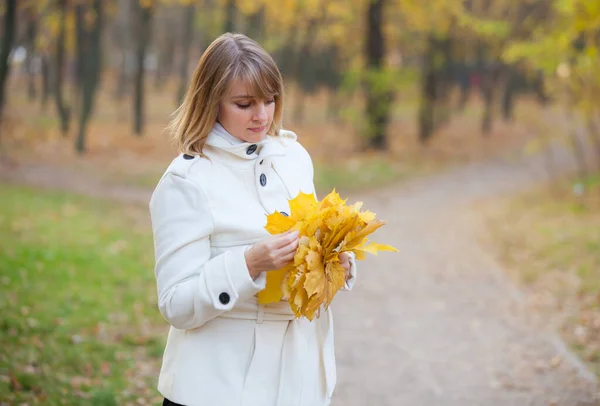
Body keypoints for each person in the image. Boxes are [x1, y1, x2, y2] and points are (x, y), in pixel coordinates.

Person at [149, 33, 357, 406]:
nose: (262, 115)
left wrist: (330, 264)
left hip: (297, 382)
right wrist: (249, 263)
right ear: (211, 102)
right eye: (244, 104)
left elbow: (303, 273)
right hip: (217, 387)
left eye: (269, 99)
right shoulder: (187, 182)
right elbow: (176, 304)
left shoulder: (292, 158)